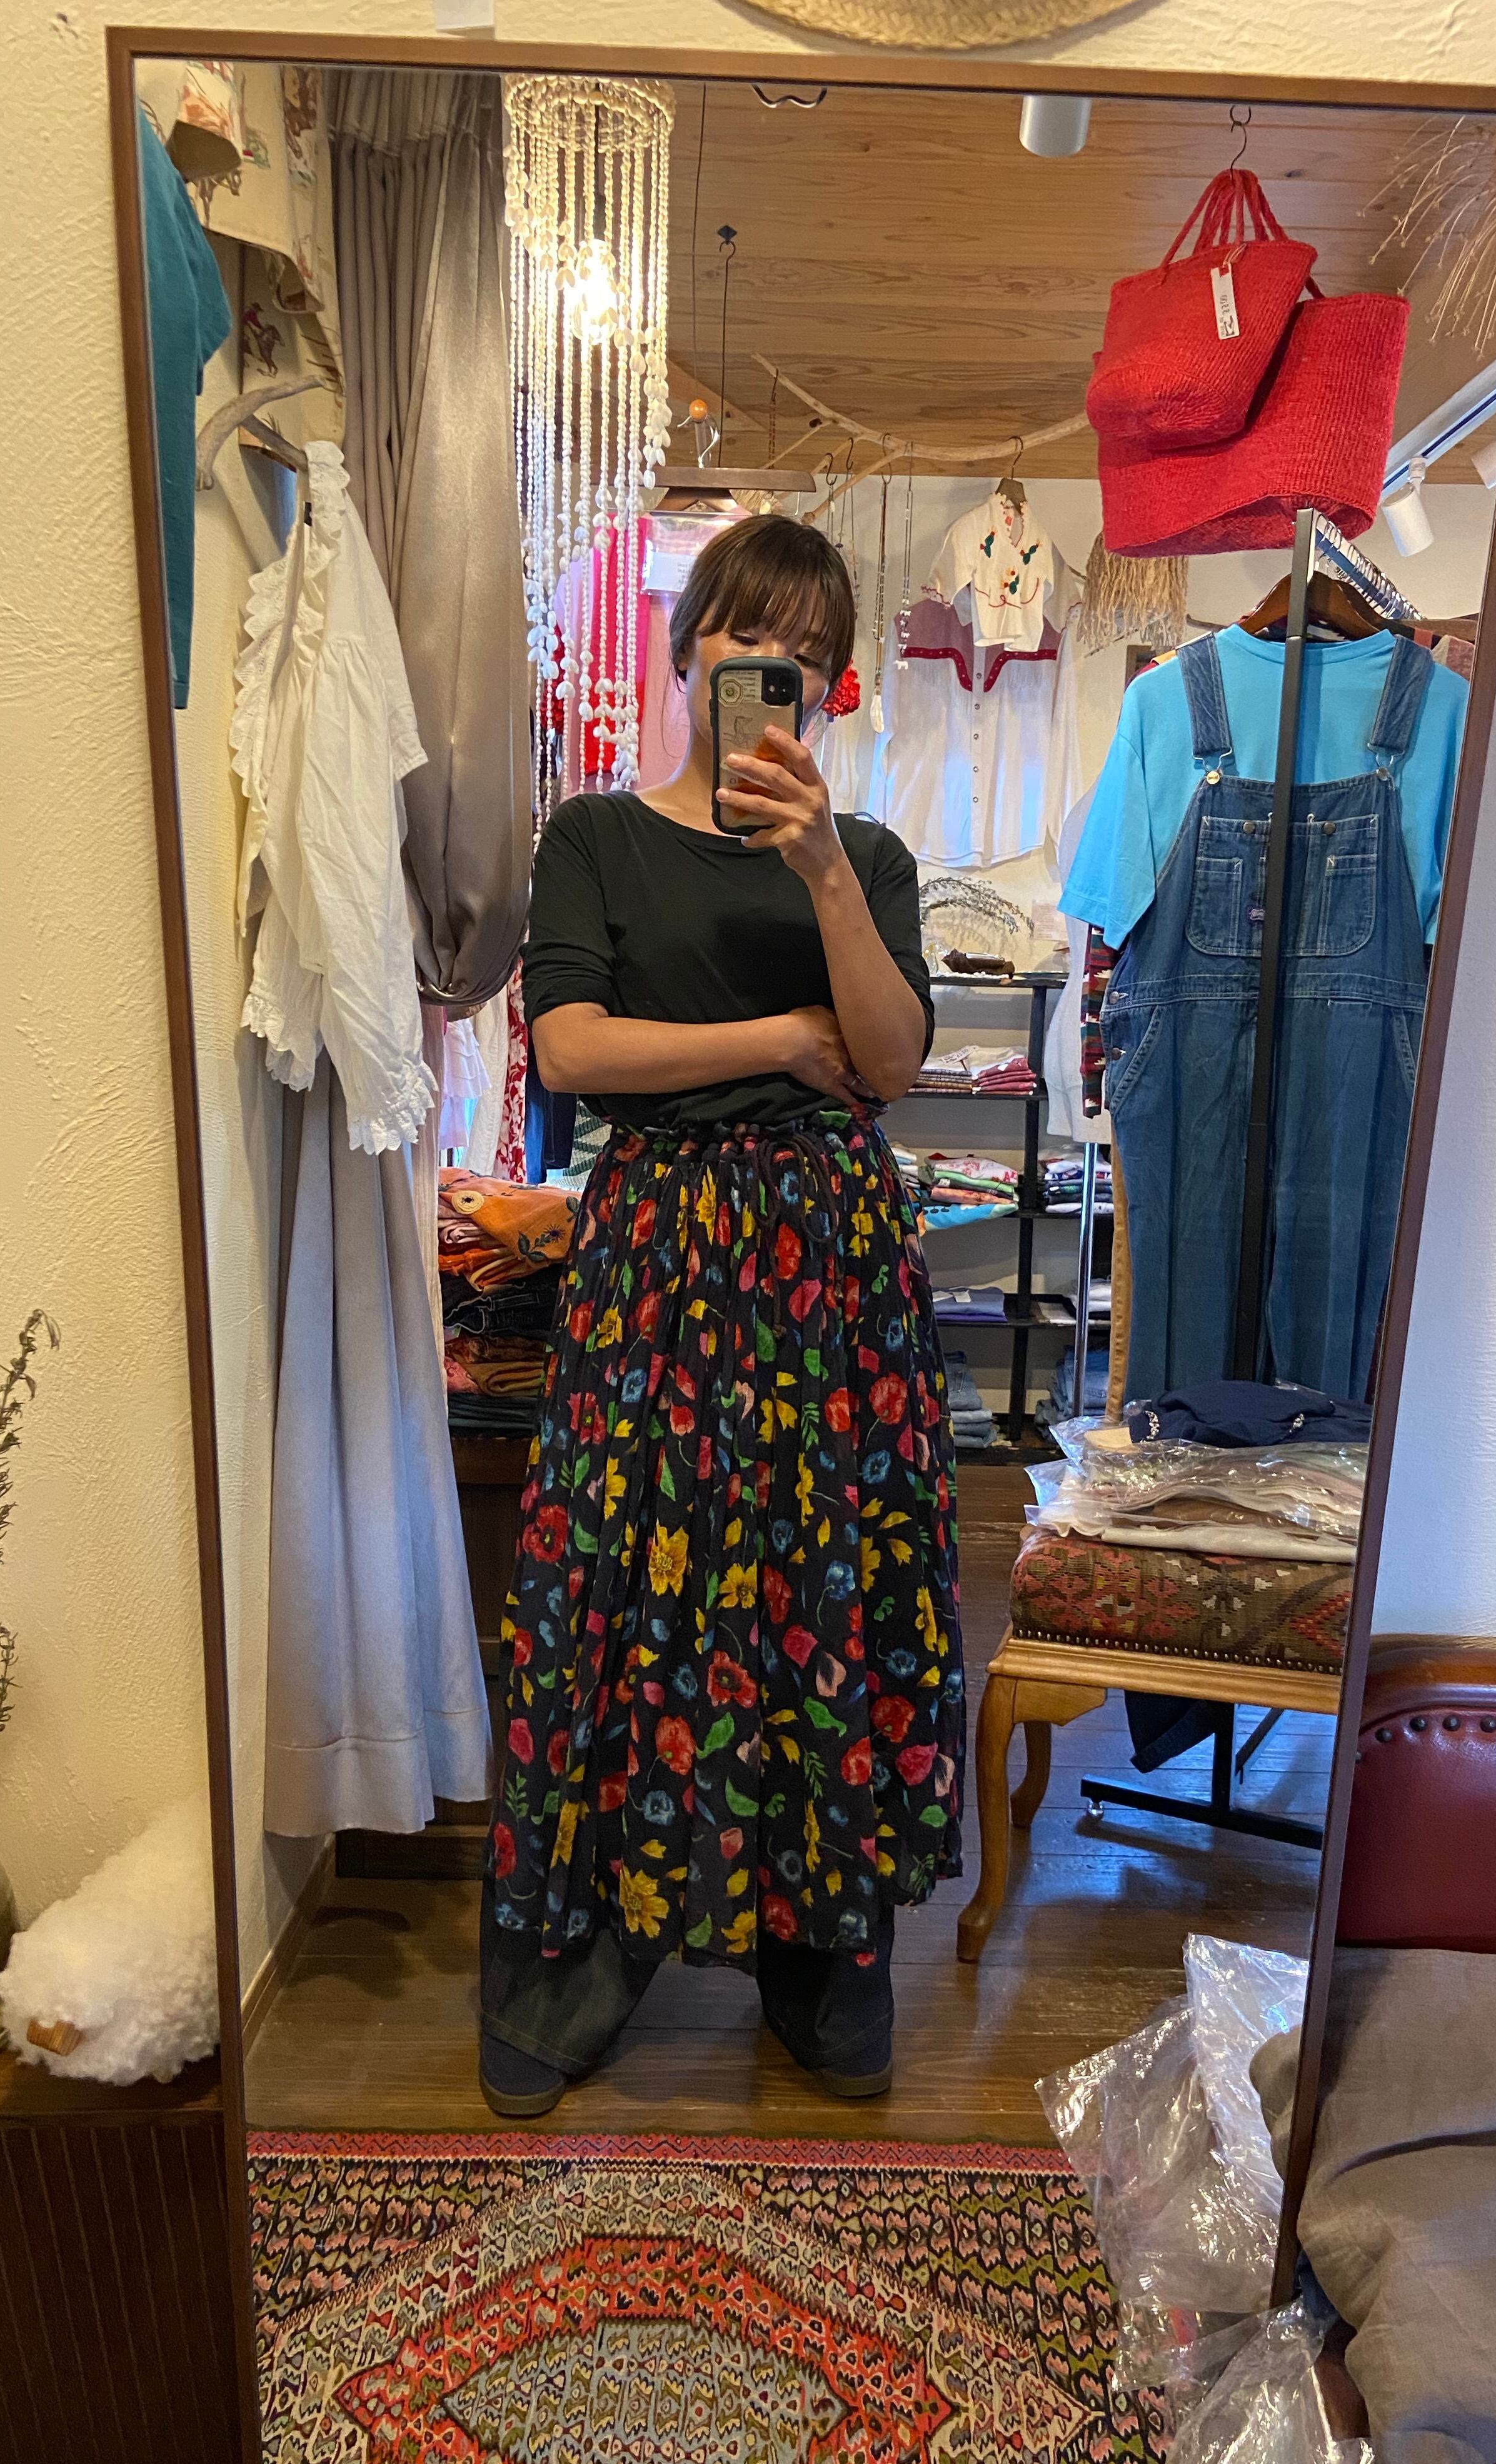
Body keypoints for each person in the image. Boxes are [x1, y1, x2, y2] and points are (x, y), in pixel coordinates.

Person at [478, 511, 965, 2115]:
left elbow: (890, 1061)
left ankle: (818, 1951)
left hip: (829, 1268)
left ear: (831, 687)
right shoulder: (595, 838)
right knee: (621, 1586)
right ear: (691, 649)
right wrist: (775, 1038)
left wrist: (821, 870)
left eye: (810, 656)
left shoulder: (866, 858)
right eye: (753, 639)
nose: (779, 673)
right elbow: (571, 1049)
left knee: (823, 1583)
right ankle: (588, 1946)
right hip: (658, 1257)